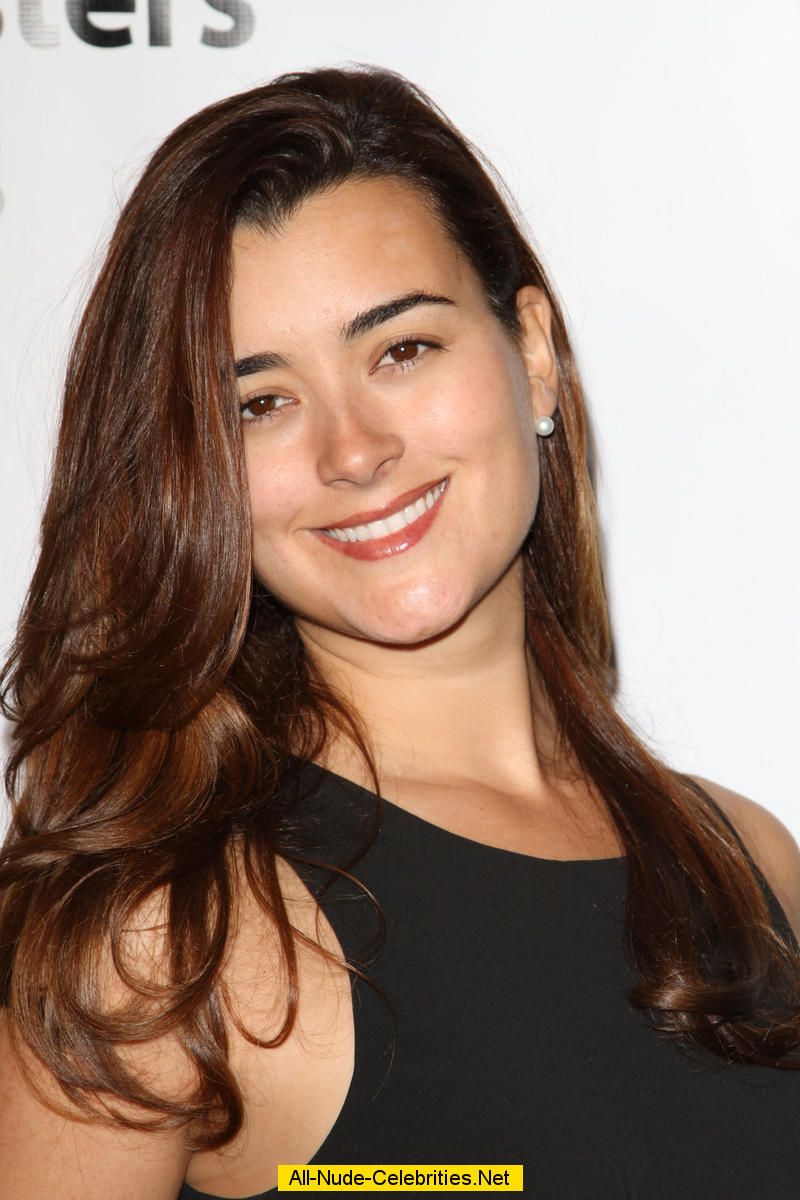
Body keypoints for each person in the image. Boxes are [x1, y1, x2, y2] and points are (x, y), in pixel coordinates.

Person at [1, 65, 800, 1200]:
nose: (354, 451)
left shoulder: (747, 860)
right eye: (259, 404)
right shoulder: (164, 942)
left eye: (401, 350)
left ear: (531, 354)